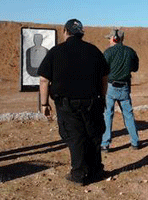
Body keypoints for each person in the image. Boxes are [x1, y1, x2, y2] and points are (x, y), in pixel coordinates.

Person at [38, 19, 109, 185]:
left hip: (66, 103)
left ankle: (79, 174)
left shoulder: (56, 51)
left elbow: (43, 80)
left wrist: (44, 104)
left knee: (75, 137)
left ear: (65, 31)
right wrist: (103, 97)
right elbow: (105, 77)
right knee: (93, 135)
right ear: (81, 33)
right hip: (92, 101)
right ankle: (96, 170)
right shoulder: (93, 50)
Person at [101, 29, 140, 152]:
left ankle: (105, 143)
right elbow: (135, 68)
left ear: (114, 38)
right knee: (128, 115)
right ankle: (135, 142)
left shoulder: (108, 52)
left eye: (109, 38)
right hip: (124, 87)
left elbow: (102, 70)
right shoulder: (130, 51)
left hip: (110, 87)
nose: (109, 40)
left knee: (108, 115)